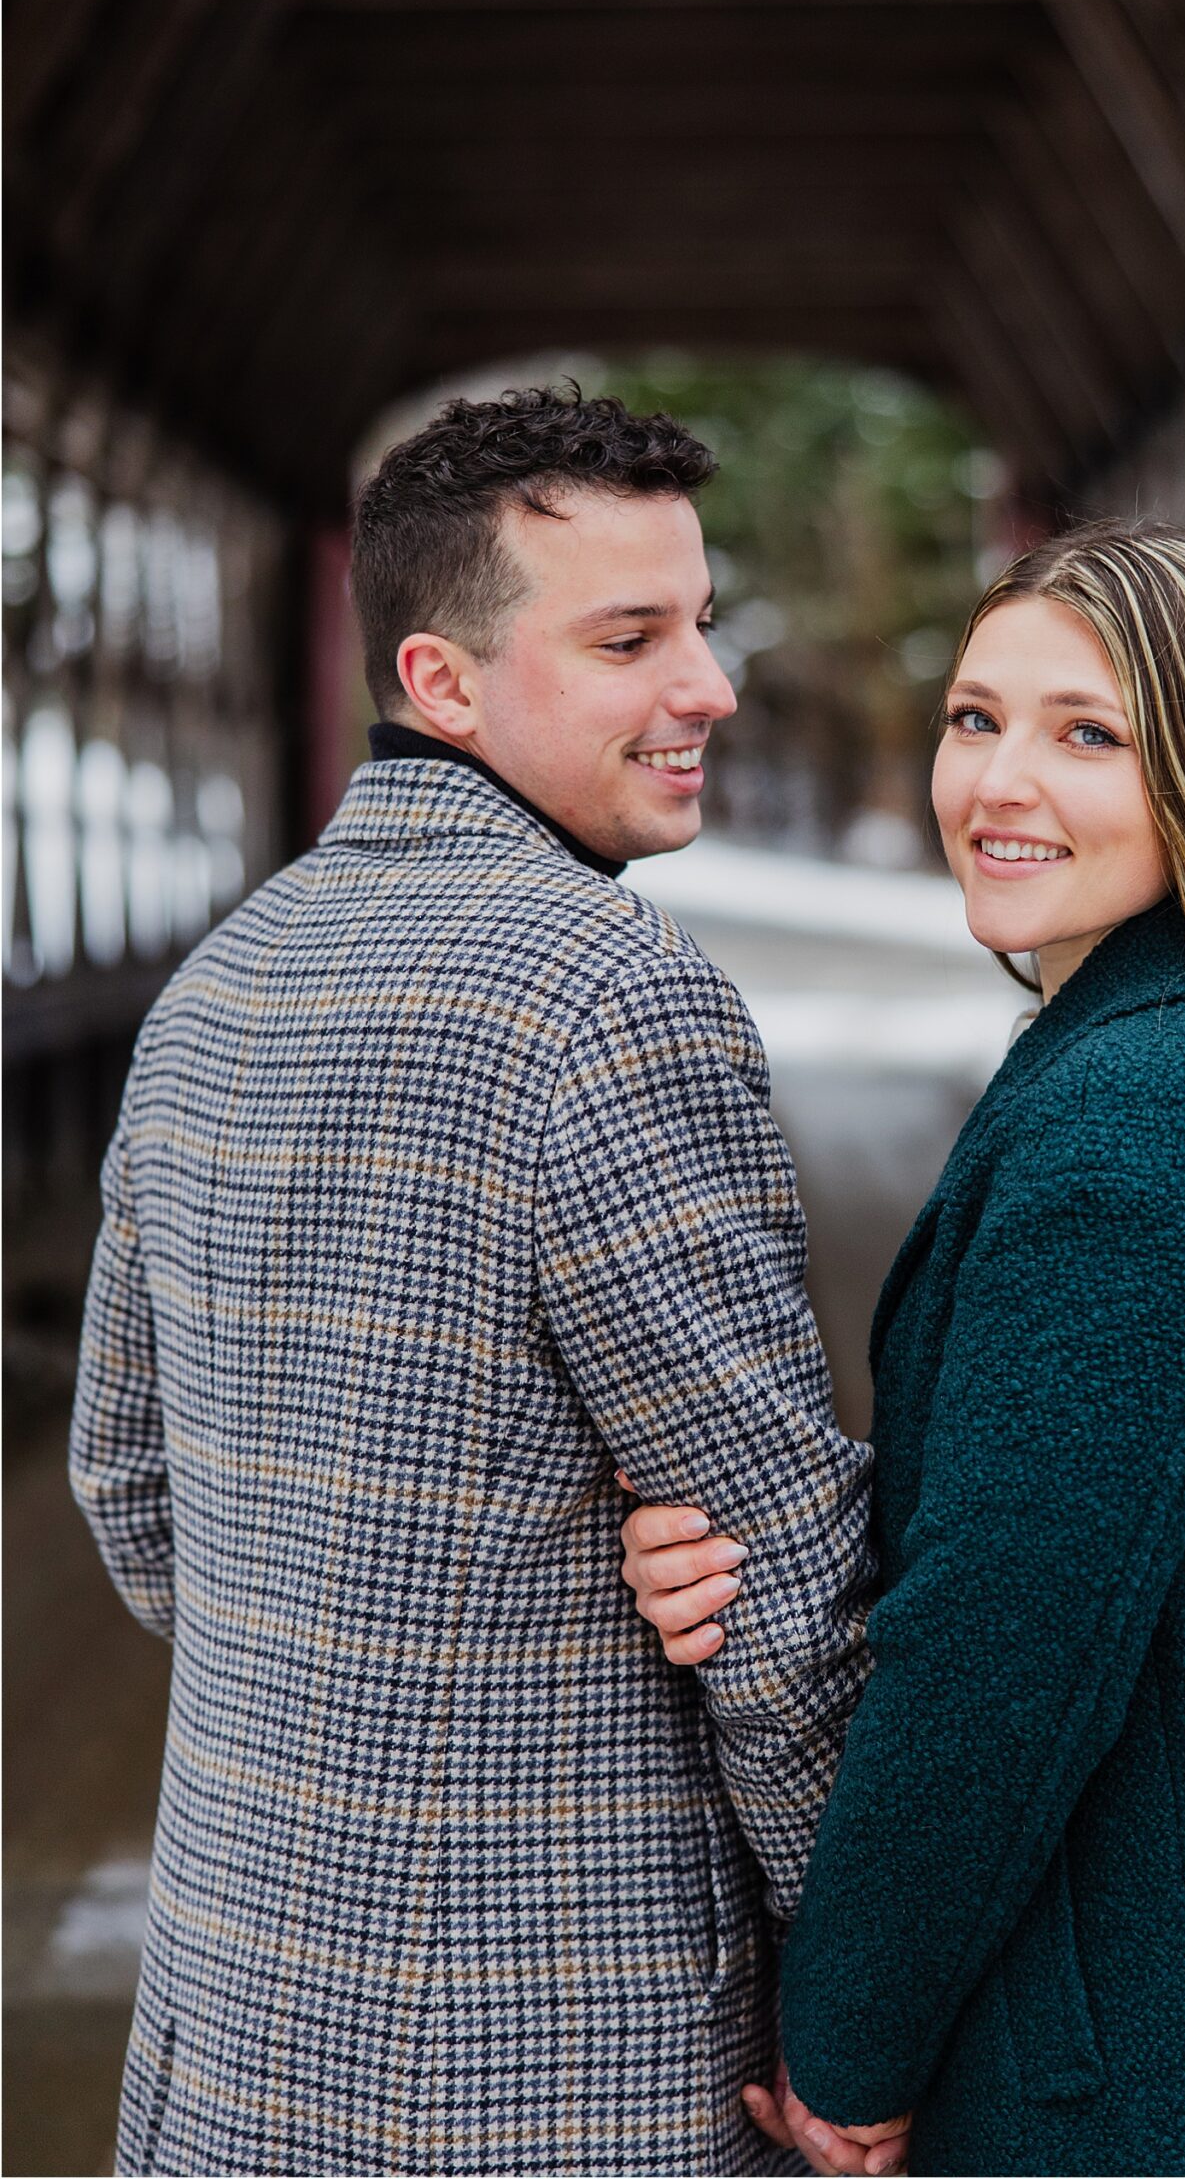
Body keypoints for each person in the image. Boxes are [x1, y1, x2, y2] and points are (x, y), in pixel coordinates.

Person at [622, 519, 1185, 2178]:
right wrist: (755, 1553)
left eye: (1088, 736)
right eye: (974, 718)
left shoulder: (1152, 1122)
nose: (999, 782)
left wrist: (849, 2036)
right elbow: (1064, 1513)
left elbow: (1003, 1650)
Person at [69, 385, 902, 2176]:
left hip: (233, 2019)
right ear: (442, 683)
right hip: (558, 2051)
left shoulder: (220, 988)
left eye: (702, 623)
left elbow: (132, 1492)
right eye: (630, 639)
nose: (710, 687)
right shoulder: (613, 997)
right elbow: (775, 1582)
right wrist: (877, 1988)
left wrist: (375, 1650)